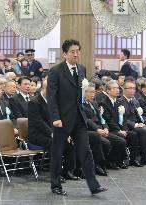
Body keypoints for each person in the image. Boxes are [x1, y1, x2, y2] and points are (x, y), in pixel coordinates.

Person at [47, 39, 107, 196]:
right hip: (62, 119)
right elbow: (51, 97)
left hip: (79, 118)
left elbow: (81, 94)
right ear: (65, 54)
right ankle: (55, 185)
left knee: (85, 151)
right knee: (58, 152)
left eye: (77, 51)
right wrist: (55, 117)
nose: (76, 54)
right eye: (72, 51)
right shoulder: (56, 71)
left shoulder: (81, 69)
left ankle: (94, 185)